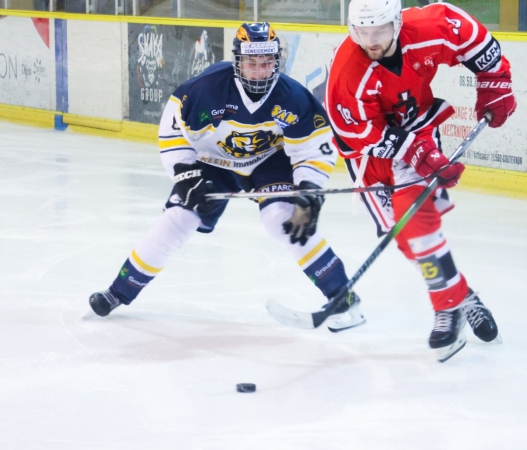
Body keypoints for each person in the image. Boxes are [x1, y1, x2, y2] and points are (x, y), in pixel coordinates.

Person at [89, 22, 365, 333]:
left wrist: (308, 190)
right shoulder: (205, 89)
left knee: (284, 218)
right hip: (213, 162)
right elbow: (173, 131)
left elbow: (313, 148)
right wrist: (185, 175)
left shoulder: (293, 98)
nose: (259, 71)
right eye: (251, 63)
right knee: (178, 219)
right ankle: (118, 291)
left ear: (277, 62)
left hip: (268, 162)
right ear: (237, 61)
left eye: (266, 63)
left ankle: (343, 296)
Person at [325, 0, 516, 361]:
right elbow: (358, 133)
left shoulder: (430, 29)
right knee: (406, 239)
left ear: (396, 22)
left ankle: (446, 308)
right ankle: (463, 294)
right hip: (369, 153)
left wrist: (495, 83)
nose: (371, 40)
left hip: (417, 125)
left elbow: (476, 42)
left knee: (418, 224)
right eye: (362, 31)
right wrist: (415, 153)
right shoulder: (348, 72)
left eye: (379, 29)